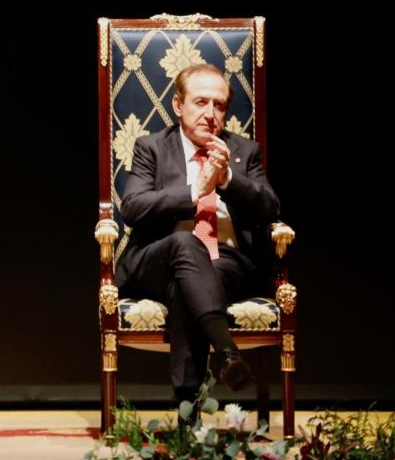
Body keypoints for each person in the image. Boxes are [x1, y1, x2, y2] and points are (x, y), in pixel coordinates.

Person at [116, 63, 279, 409]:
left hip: (226, 262)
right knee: (184, 244)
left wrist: (228, 182)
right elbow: (132, 206)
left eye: (219, 105)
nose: (210, 114)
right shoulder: (152, 147)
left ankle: (187, 417)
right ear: (178, 105)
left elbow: (270, 207)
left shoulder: (243, 151)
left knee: (186, 286)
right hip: (156, 258)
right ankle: (225, 351)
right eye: (200, 102)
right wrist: (195, 191)